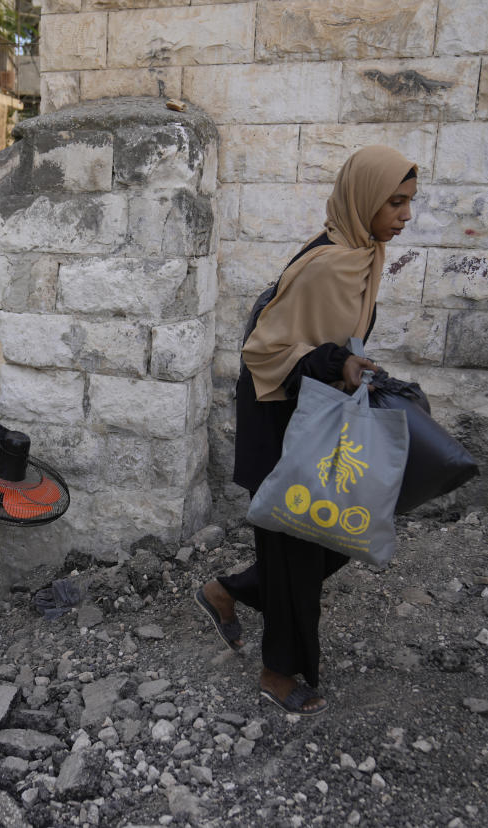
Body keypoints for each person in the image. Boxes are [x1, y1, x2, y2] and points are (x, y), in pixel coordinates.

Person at [194, 146, 418, 716]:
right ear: (364, 198)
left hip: (315, 414)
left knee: (328, 540)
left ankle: (228, 592)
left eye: (409, 202)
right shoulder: (328, 264)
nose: (405, 215)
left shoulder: (361, 255)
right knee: (296, 552)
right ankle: (277, 673)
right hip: (282, 420)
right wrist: (331, 362)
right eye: (395, 201)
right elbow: (263, 349)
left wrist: (346, 365)